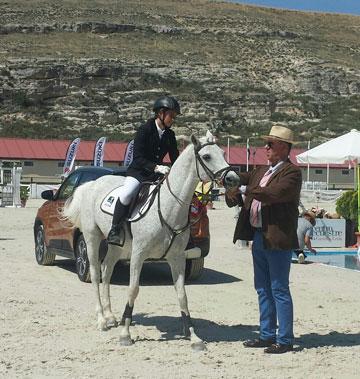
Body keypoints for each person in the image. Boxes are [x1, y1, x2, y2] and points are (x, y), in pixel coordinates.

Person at [225, 125, 302, 354]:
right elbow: (242, 178)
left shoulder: (291, 173)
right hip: (259, 236)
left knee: (278, 288)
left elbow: (274, 194)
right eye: (267, 143)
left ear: (284, 147)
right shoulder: (261, 171)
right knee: (262, 288)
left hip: (277, 238)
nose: (266, 147)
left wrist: (244, 188)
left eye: (271, 143)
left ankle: (285, 339)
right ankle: (267, 335)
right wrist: (230, 180)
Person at [107, 96, 180, 245]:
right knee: (127, 194)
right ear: (161, 113)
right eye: (171, 115)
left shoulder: (170, 135)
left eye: (174, 116)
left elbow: (175, 158)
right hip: (138, 172)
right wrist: (157, 167)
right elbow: (138, 158)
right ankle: (115, 229)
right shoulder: (144, 130)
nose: (173, 119)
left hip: (156, 176)